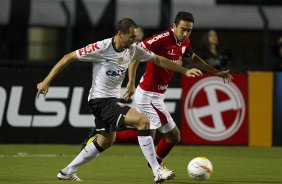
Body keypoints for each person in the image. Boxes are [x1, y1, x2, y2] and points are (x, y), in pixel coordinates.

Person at [36, 18, 202, 183]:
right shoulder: (102, 47)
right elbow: (68, 57)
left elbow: (159, 60)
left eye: (135, 36)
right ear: (119, 34)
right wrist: (46, 80)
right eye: (131, 36)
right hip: (100, 100)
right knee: (143, 122)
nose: (134, 40)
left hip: (110, 100)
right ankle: (157, 170)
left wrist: (184, 71)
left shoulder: (133, 49)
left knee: (106, 140)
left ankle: (67, 171)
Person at [83, 12, 233, 170]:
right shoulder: (160, 39)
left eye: (189, 30)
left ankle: (102, 137)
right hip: (148, 95)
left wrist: (216, 72)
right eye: (182, 29)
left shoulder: (185, 42)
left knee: (148, 134)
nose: (185, 33)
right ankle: (156, 165)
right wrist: (131, 82)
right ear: (174, 26)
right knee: (173, 135)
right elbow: (135, 55)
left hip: (157, 94)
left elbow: (193, 58)